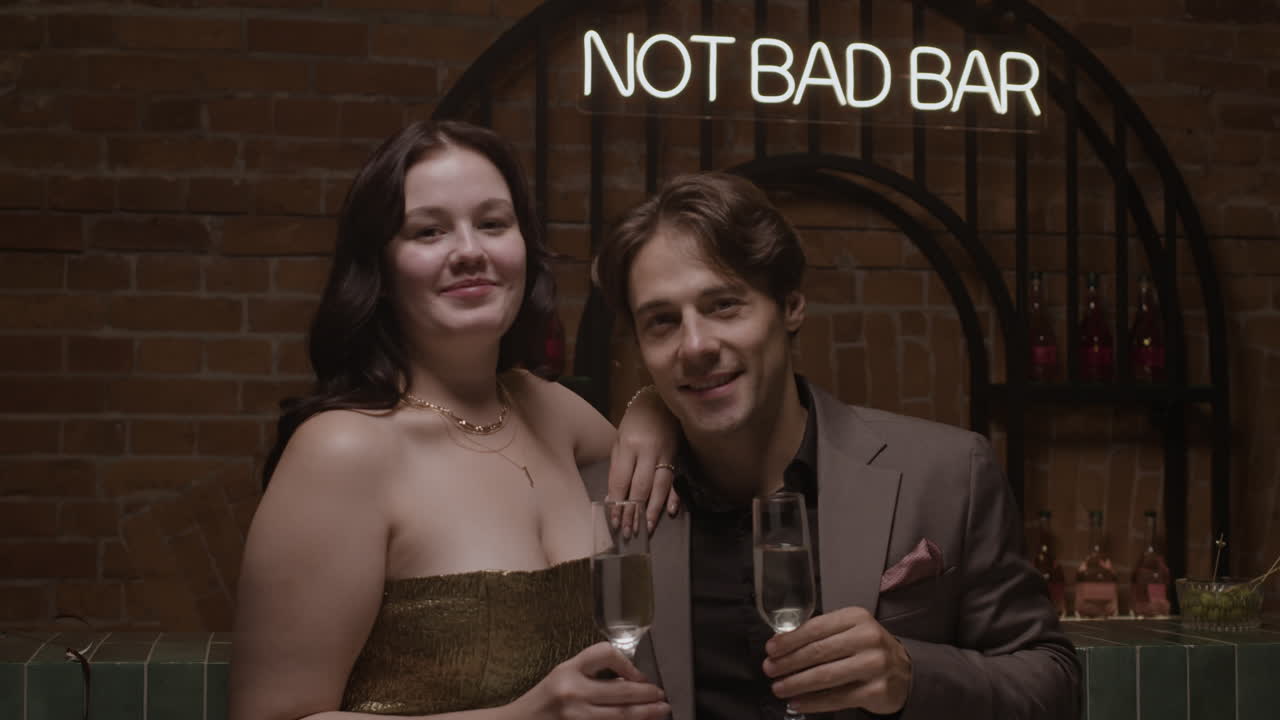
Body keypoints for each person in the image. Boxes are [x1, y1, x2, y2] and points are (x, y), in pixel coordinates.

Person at [588, 171, 1082, 719]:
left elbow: (1054, 684)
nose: (696, 345)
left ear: (791, 306)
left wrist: (912, 676)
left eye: (724, 305)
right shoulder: (609, 505)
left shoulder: (948, 473)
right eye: (662, 321)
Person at [229, 120, 679, 720]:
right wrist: (527, 717)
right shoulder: (341, 452)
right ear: (381, 270)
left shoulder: (554, 411)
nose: (470, 251)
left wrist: (656, 410)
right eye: (428, 230)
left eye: (493, 223)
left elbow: (698, 457)